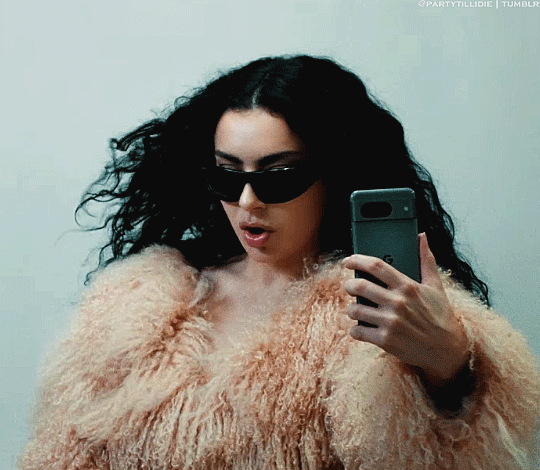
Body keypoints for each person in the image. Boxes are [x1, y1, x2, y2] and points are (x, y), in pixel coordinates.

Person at [19, 55, 539, 469]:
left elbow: (438, 453)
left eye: (278, 176)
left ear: (334, 173)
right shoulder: (131, 306)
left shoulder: (385, 308)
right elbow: (64, 451)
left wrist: (449, 369)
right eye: (227, 176)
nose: (248, 201)